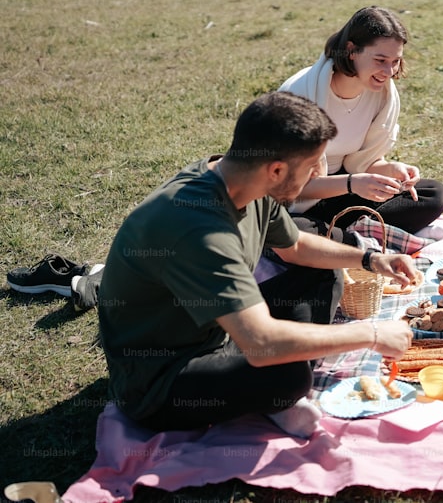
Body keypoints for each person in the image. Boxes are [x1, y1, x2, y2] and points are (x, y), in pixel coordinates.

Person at [97, 92, 418, 438]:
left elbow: (294, 245)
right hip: (162, 379)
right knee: (287, 376)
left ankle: (274, 379)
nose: (318, 175)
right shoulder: (199, 230)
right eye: (312, 166)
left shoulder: (245, 181)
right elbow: (260, 342)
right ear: (277, 169)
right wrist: (370, 334)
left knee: (324, 270)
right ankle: (275, 391)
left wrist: (371, 259)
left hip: (220, 331)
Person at [279, 6, 443, 245]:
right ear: (351, 51)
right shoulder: (299, 95)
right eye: (380, 60)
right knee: (292, 228)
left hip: (344, 190)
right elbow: (286, 187)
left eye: (395, 61)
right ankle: (355, 237)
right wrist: (351, 184)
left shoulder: (382, 94)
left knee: (432, 195)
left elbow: (362, 163)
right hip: (298, 200)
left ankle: (344, 237)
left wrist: (391, 169)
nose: (388, 72)